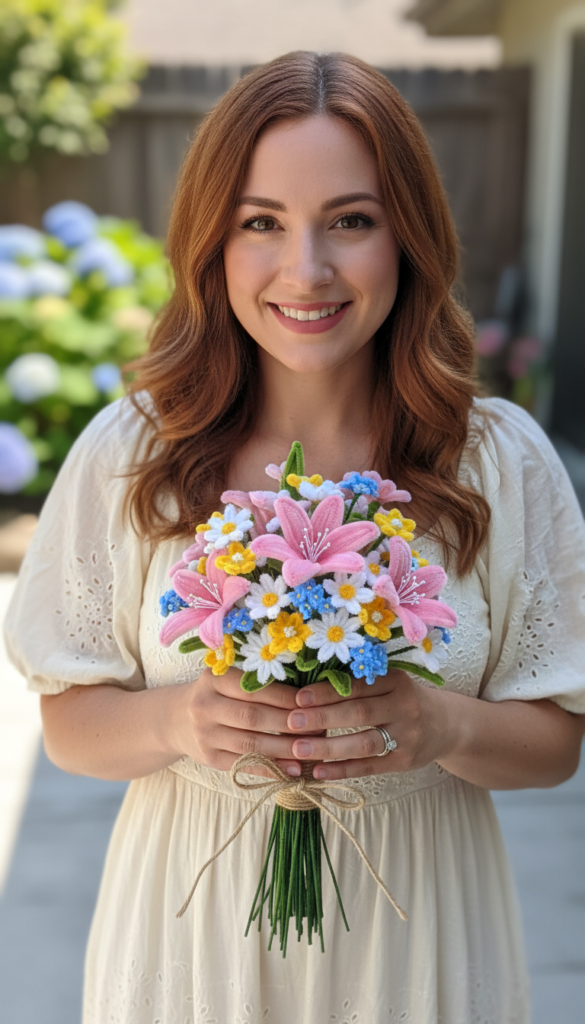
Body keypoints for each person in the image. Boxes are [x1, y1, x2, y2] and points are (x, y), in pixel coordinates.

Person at [5, 51, 585, 1024]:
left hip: (419, 928)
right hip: (191, 934)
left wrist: (446, 726)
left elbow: (559, 740)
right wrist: (178, 720)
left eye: (351, 221)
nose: (306, 270)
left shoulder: (497, 459)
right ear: (211, 242)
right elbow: (70, 718)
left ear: (408, 235)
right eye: (261, 222)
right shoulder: (135, 451)